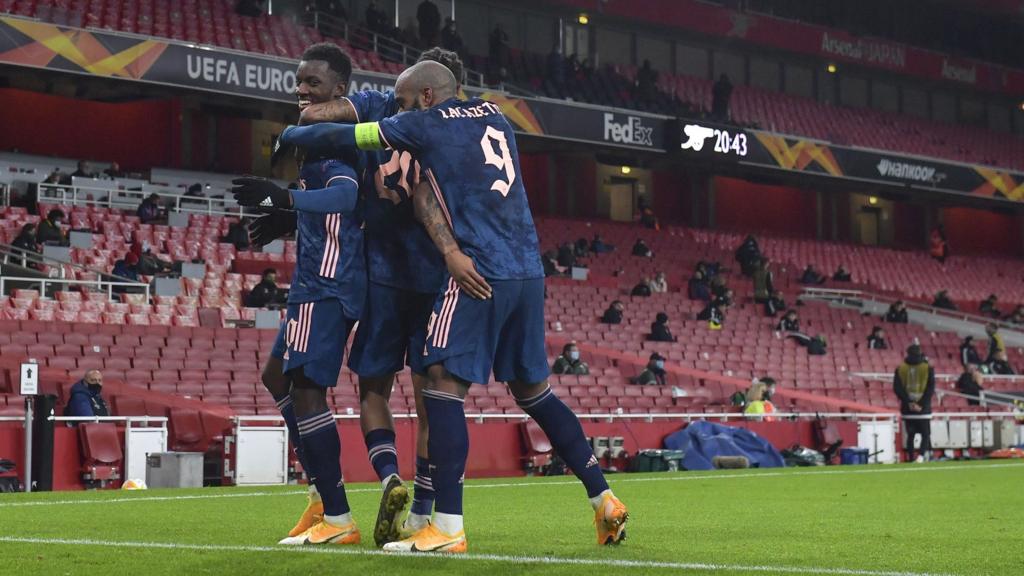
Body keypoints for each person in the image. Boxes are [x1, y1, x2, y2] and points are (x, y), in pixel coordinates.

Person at [279, 60, 628, 552]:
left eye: (404, 100)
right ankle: (603, 498)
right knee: (534, 392)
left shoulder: (422, 122)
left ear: (425, 96)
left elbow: (351, 137)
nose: (398, 109)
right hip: (528, 270)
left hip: (478, 272)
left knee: (439, 384)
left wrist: (292, 133)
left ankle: (445, 526)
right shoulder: (497, 116)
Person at [278, 47, 469, 547]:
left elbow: (320, 118)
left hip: (380, 273)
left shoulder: (381, 107)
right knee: (435, 400)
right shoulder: (465, 129)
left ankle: (385, 479)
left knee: (372, 391)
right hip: (436, 275)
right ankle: (424, 511)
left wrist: (291, 135)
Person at [230, 42, 367, 548]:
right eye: (299, 81)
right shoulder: (316, 141)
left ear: (340, 91)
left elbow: (346, 194)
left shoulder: (334, 143)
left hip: (326, 288)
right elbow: (335, 211)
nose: (302, 89)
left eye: (313, 82)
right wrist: (290, 218)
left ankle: (337, 515)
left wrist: (285, 197)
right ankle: (319, 489)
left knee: (307, 391)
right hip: (317, 283)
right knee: (275, 377)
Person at [893, 345, 934, 463]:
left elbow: (897, 388)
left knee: (910, 435)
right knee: (925, 434)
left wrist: (909, 402)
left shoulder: (901, 368)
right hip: (923, 409)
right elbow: (930, 388)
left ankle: (910, 458)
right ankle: (920, 457)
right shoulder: (928, 368)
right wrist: (920, 404)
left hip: (907, 409)